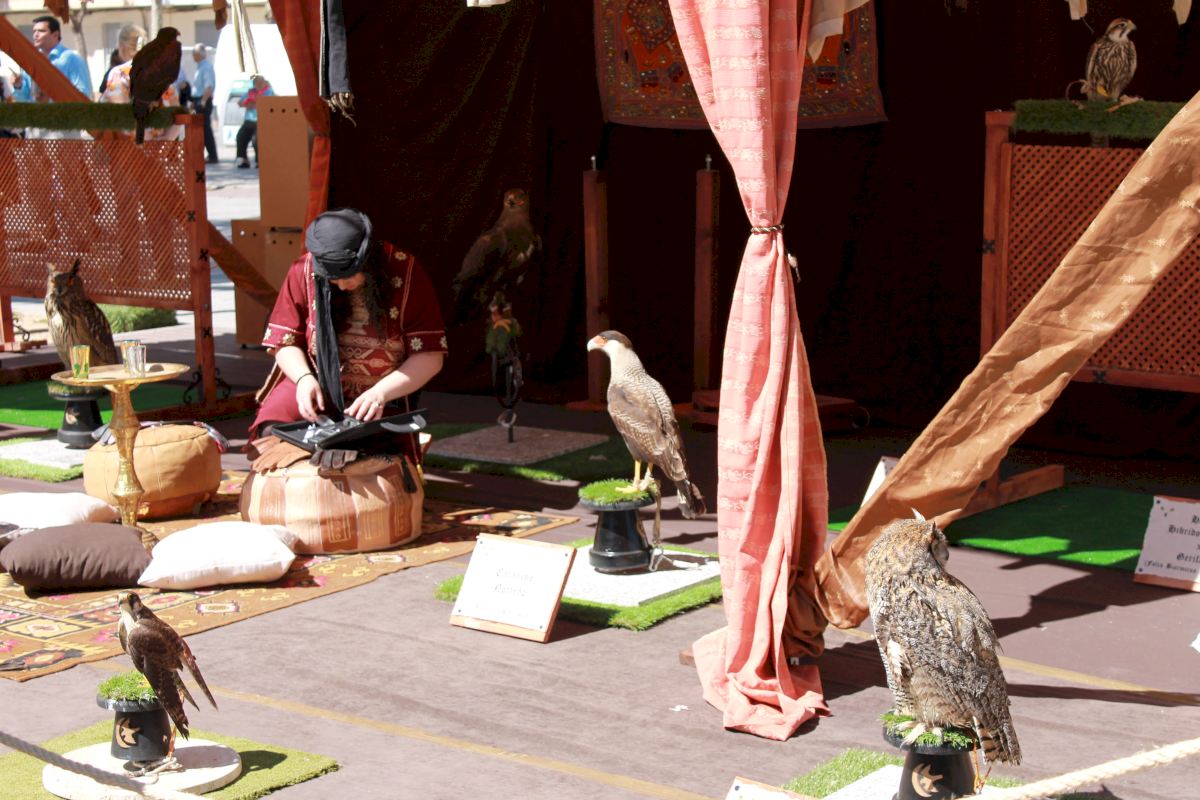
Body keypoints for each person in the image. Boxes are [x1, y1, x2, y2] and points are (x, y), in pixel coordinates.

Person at [251, 208, 448, 463]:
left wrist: (380, 394)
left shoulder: (406, 271)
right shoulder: (304, 268)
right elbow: (285, 342)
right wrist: (303, 379)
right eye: (333, 280)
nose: (343, 286)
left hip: (382, 396)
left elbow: (430, 356)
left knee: (373, 458)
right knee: (273, 431)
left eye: (349, 275)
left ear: (368, 260)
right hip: (316, 383)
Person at [99, 24, 181, 141]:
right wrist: (167, 140)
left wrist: (146, 142)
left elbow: (124, 114)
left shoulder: (119, 74)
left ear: (121, 46)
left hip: (123, 149)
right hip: (159, 148)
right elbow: (178, 116)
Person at [13, 15, 92, 103]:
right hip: (34, 111)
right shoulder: (32, 60)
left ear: (55, 35)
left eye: (41, 31)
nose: (36, 35)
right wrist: (18, 86)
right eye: (34, 31)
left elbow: (82, 95)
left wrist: (50, 99)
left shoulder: (71, 59)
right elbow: (22, 99)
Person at [235, 74, 272, 168]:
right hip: (249, 120)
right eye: (256, 82)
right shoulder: (251, 92)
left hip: (261, 121)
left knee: (256, 139)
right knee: (240, 137)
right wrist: (246, 104)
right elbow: (240, 102)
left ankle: (259, 161)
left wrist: (256, 103)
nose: (258, 84)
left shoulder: (268, 91)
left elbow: (271, 103)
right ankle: (243, 160)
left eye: (260, 82)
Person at [189, 44, 218, 163]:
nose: (193, 56)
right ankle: (208, 154)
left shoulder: (206, 67)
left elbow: (208, 86)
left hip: (203, 100)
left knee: (205, 129)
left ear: (199, 54)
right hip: (199, 99)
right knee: (202, 128)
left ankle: (212, 155)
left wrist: (203, 101)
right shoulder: (200, 67)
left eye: (194, 54)